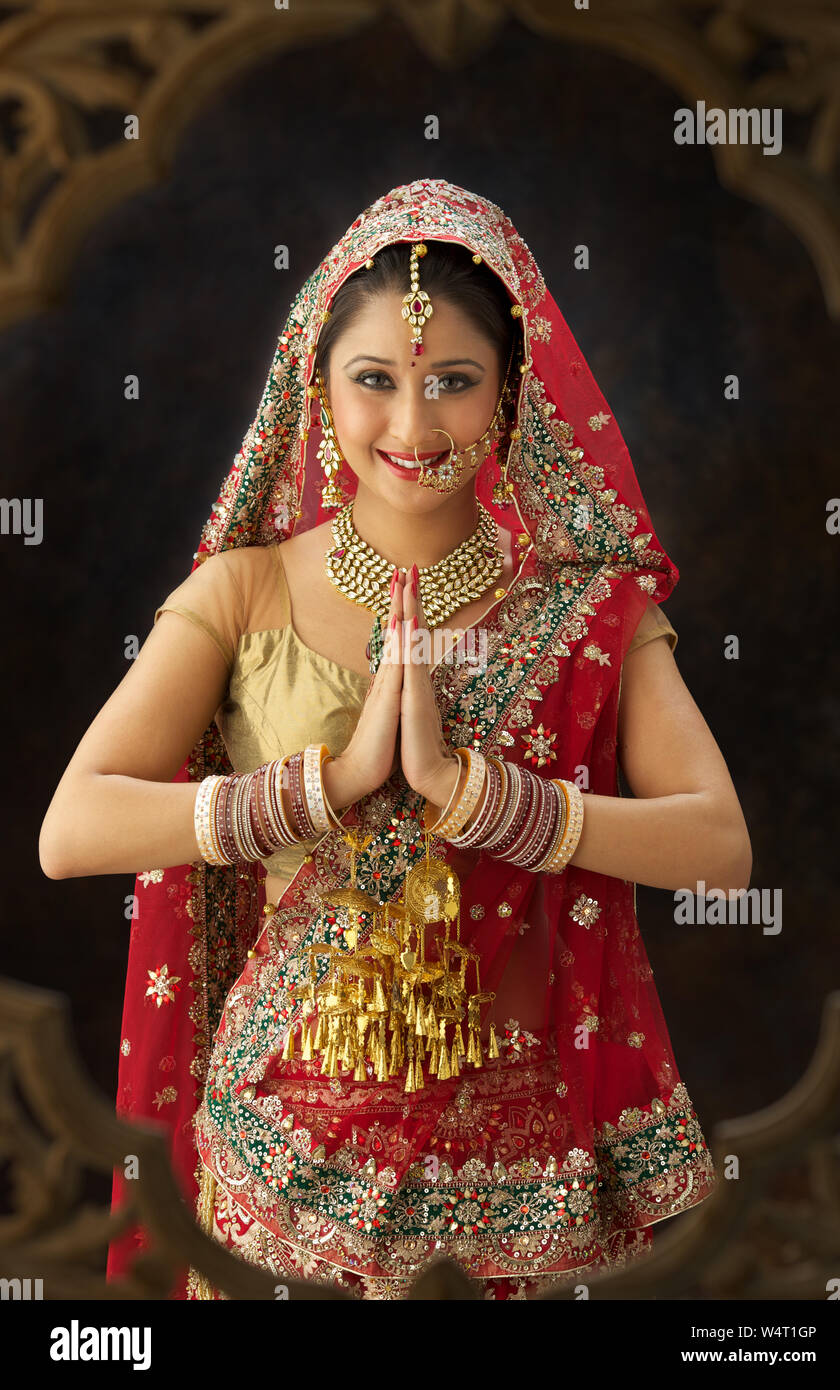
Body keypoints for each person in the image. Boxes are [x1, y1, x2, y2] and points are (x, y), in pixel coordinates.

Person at [39, 177, 751, 1301]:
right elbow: (71, 829)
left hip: (525, 1180)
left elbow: (718, 848)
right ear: (317, 389)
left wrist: (471, 794)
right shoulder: (244, 588)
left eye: (452, 383)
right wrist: (329, 784)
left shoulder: (588, 611)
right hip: (279, 1172)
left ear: (511, 397)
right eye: (374, 380)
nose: (412, 428)